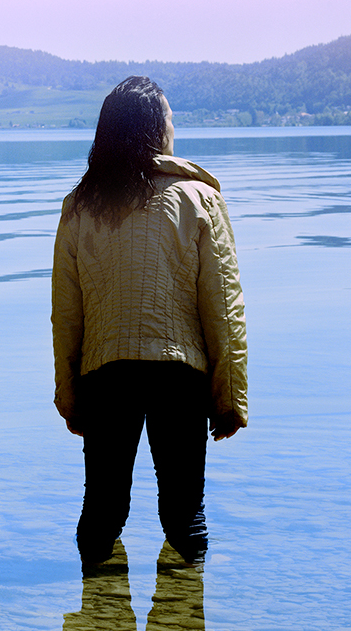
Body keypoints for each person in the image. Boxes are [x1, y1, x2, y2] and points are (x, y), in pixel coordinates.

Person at [51, 76, 247, 565]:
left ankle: (92, 620)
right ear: (158, 131)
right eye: (171, 119)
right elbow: (223, 310)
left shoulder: (80, 206)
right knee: (184, 513)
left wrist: (68, 393)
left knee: (102, 509)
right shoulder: (199, 201)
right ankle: (183, 623)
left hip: (105, 374)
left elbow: (66, 314)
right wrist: (229, 397)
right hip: (180, 374)